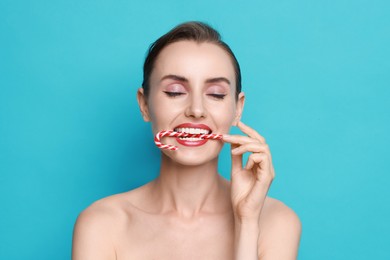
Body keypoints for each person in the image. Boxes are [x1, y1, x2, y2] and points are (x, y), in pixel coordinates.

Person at [72, 21, 301, 259]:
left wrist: (246, 222)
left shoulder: (276, 221)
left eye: (216, 94)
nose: (196, 109)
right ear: (144, 105)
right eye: (175, 92)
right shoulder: (102, 223)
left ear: (237, 109)